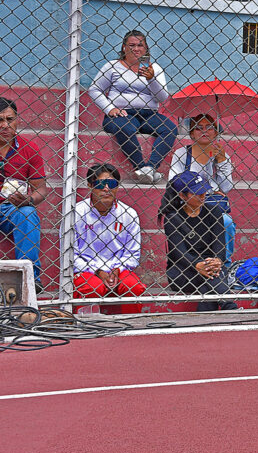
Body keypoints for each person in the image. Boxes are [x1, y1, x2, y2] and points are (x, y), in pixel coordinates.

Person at [88, 30, 176, 184]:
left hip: (149, 115)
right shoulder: (112, 66)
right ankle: (142, 168)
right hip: (122, 114)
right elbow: (94, 89)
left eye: (140, 45)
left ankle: (151, 168)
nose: (136, 49)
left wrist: (151, 78)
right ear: (124, 47)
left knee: (169, 128)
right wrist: (110, 109)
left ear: (146, 48)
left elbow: (162, 98)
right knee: (125, 127)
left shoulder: (154, 68)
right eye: (132, 45)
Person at [73, 163, 145, 312]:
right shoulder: (76, 213)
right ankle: (86, 325)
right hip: (87, 269)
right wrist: (97, 270)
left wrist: (117, 270)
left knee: (134, 287)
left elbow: (132, 254)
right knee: (92, 287)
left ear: (117, 187)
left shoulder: (128, 214)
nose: (106, 189)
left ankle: (133, 328)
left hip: (118, 267)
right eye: (100, 184)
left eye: (111, 184)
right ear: (90, 185)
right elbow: (71, 255)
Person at [160, 171, 238, 311]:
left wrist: (218, 261)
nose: (203, 195)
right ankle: (230, 307)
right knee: (212, 277)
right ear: (182, 195)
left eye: (204, 191)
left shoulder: (214, 211)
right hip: (184, 270)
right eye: (197, 193)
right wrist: (197, 264)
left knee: (209, 280)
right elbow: (179, 253)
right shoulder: (173, 218)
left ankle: (211, 316)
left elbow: (220, 245)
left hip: (210, 265)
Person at [167, 114, 236, 261]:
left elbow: (226, 187)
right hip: (189, 203)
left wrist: (222, 161)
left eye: (209, 127)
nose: (204, 131)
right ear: (191, 133)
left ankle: (224, 263)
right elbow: (174, 183)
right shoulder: (182, 154)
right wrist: (202, 187)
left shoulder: (221, 155)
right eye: (198, 128)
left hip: (211, 205)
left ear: (216, 132)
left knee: (227, 222)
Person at [0, 97, 45, 284]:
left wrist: (28, 200)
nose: (5, 125)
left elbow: (41, 189)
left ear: (17, 119)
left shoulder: (29, 149)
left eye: (9, 120)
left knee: (28, 213)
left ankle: (29, 279)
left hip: (9, 208)